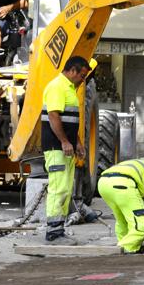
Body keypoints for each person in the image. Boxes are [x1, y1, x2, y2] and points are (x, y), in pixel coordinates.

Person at [41, 56, 92, 245]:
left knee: (65, 188)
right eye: (82, 75)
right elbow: (53, 116)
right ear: (72, 70)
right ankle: (53, 233)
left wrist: (76, 142)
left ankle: (58, 230)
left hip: (65, 148)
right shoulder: (57, 86)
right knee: (58, 189)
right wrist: (64, 141)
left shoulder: (69, 88)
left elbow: (69, 121)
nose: (83, 79)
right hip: (56, 148)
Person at [97, 155, 144, 253]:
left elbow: (132, 200)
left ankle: (128, 245)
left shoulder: (141, 164)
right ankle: (122, 249)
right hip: (122, 183)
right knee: (143, 226)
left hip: (103, 184)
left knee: (123, 222)